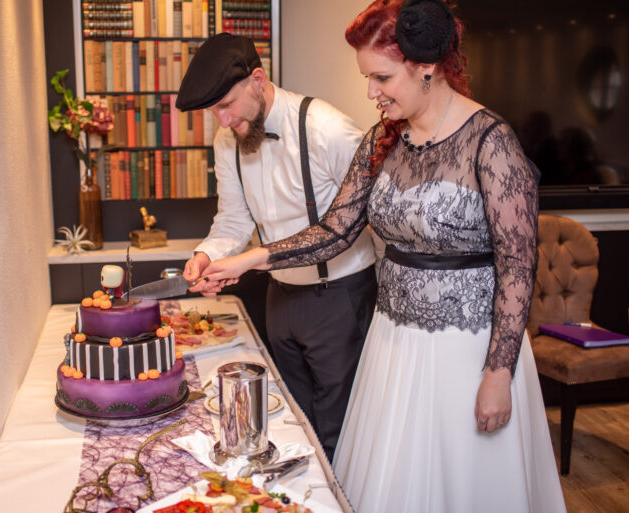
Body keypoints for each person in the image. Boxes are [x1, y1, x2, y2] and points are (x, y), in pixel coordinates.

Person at [199, 1, 567, 511]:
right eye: (367, 78)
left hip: (469, 352)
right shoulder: (382, 141)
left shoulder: (491, 143)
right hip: (392, 343)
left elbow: (518, 267)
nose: (371, 92)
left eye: (382, 77)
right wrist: (247, 260)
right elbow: (335, 230)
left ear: (426, 68)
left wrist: (499, 373)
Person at [175, 33, 378, 460]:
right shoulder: (227, 141)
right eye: (214, 111)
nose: (223, 121)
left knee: (338, 430)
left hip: (339, 300)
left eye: (226, 105)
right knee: (288, 422)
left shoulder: (328, 129)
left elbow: (373, 217)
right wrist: (206, 255)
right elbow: (234, 219)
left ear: (257, 79)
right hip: (279, 299)